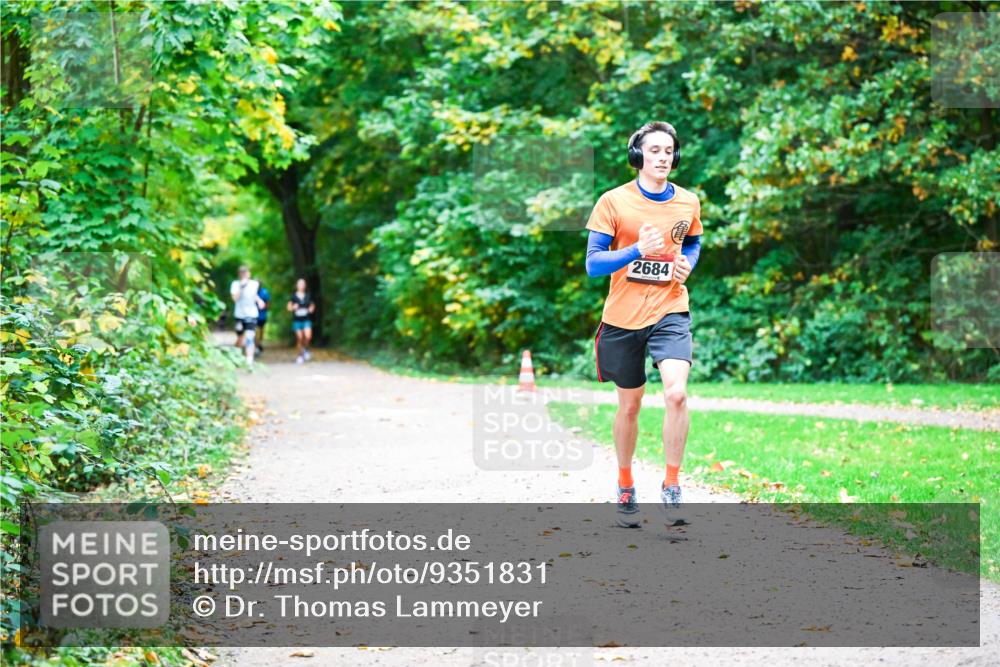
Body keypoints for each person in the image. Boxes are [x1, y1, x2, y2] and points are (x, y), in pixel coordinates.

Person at [584, 121, 704, 528]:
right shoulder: (613, 202)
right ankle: (624, 484)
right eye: (654, 151)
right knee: (630, 406)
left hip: (670, 309)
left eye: (669, 151)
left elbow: (692, 240)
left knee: (676, 395)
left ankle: (671, 487)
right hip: (622, 318)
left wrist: (689, 262)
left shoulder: (688, 202)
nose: (662, 158)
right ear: (638, 156)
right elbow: (593, 264)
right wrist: (637, 250)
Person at [230, 266, 265, 365]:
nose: (244, 275)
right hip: (239, 315)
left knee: (250, 336)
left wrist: (259, 301)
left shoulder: (254, 284)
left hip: (251, 314)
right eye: (242, 273)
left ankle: (249, 361)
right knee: (240, 338)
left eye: (246, 273)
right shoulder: (235, 284)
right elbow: (235, 299)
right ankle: (235, 355)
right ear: (239, 274)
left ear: (249, 274)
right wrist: (242, 287)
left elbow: (254, 295)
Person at [287, 278, 316, 364]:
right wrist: (293, 308)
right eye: (300, 284)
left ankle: (306, 349)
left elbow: (312, 305)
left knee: (307, 337)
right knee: (299, 338)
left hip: (306, 319)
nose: (301, 286)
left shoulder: (308, 295)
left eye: (303, 284)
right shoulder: (293, 296)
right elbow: (288, 307)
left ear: (305, 286)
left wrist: (311, 309)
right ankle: (300, 356)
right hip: (297, 320)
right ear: (297, 286)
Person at [255, 284, 271, 355]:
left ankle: (259, 344)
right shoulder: (252, 291)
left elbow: (268, 304)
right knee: (255, 332)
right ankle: (256, 346)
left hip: (262, 316)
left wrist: (263, 307)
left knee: (260, 331)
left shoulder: (264, 292)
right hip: (253, 316)